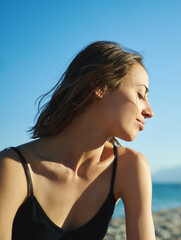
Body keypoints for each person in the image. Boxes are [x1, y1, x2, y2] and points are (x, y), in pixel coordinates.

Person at [0, 41, 156, 240]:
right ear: (100, 86)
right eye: (140, 94)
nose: (149, 112)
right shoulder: (14, 169)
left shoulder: (129, 168)